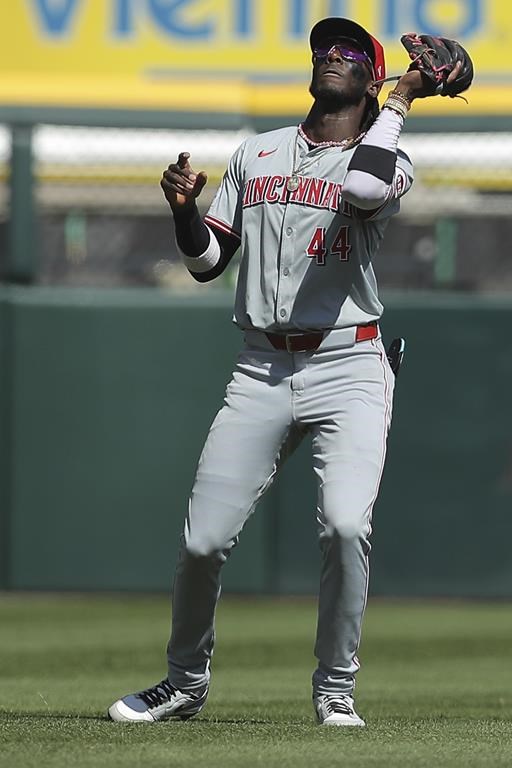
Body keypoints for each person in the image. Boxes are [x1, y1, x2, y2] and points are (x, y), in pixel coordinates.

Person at [109, 17, 461, 727]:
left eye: (350, 54)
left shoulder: (388, 152)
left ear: (371, 79)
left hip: (348, 363)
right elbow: (209, 262)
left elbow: (362, 190)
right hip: (261, 367)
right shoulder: (257, 152)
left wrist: (403, 101)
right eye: (323, 50)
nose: (331, 57)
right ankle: (184, 682)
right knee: (203, 540)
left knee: (343, 527)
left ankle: (335, 687)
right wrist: (183, 214)